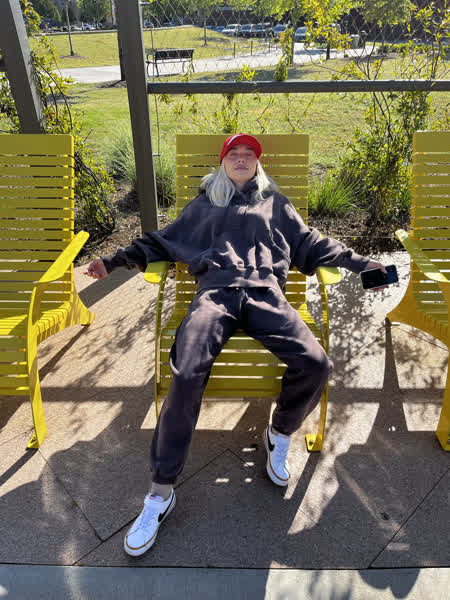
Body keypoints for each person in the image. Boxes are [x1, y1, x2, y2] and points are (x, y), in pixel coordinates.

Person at [85, 133, 387, 557]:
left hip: (267, 295)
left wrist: (360, 263)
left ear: (258, 165)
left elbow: (312, 243)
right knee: (186, 372)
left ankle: (280, 432)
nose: (242, 158)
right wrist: (112, 261)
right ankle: (160, 492)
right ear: (223, 162)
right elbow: (160, 240)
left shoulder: (277, 205)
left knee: (316, 363)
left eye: (249, 154)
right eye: (234, 153)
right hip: (215, 294)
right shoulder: (205, 205)